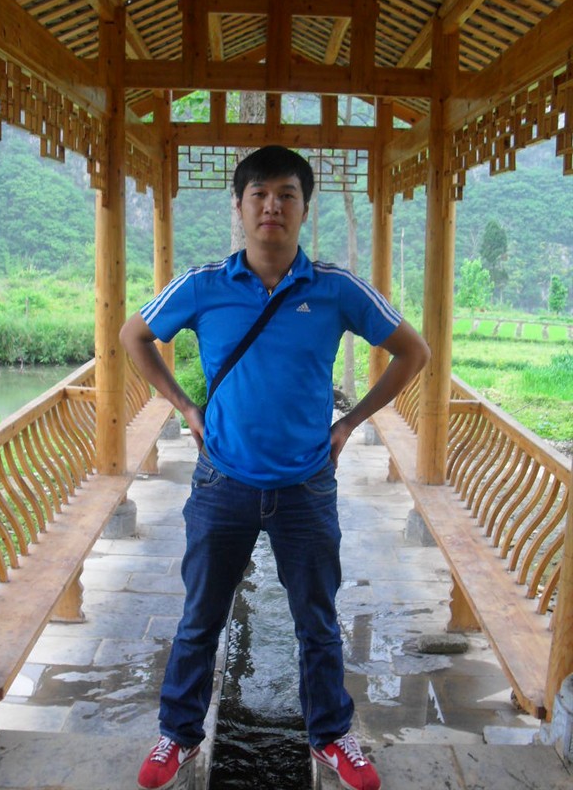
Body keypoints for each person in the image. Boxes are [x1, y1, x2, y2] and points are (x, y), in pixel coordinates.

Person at [120, 145, 430, 790]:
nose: (272, 206)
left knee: (317, 621)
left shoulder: (337, 288)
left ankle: (332, 735)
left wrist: (350, 422)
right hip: (222, 482)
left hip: (306, 486)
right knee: (200, 617)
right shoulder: (203, 284)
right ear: (239, 206)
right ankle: (178, 734)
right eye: (258, 194)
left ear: (303, 208)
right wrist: (184, 406)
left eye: (286, 194)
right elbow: (133, 335)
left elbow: (413, 351)